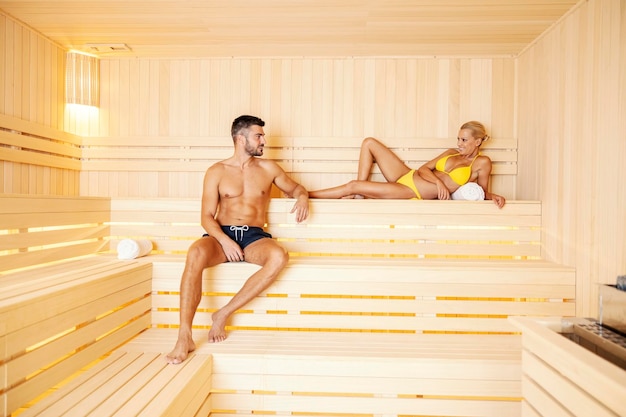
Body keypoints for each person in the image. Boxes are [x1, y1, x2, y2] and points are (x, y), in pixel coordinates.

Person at [166, 115, 309, 364]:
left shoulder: (269, 169)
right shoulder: (217, 171)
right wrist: (223, 240)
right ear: (240, 138)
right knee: (195, 253)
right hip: (221, 234)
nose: (264, 140)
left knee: (279, 256)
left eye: (262, 135)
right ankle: (184, 335)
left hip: (254, 237)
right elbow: (207, 216)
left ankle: (223, 314)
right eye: (258, 135)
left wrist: (303, 197)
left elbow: (296, 188)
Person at [309, 121, 506, 208]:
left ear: (478, 141)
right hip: (408, 175)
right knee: (369, 143)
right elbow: (423, 169)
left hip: (411, 191)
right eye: (459, 139)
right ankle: (360, 196)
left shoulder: (482, 163)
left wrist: (493, 196)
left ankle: (307, 194)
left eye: (464, 140)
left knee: (352, 185)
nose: (459, 144)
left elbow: (482, 191)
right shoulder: (451, 153)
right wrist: (439, 184)